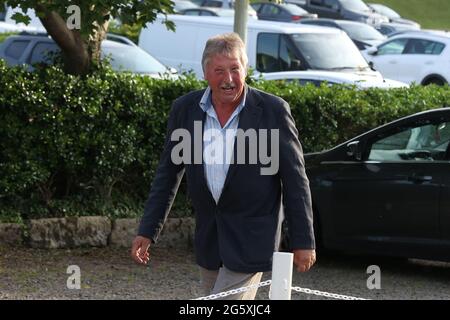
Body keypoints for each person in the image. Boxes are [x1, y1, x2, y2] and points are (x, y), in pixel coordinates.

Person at [131, 32, 316, 300]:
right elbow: (168, 174)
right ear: (206, 72)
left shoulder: (273, 111)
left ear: (246, 70)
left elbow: (296, 180)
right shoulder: (185, 109)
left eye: (235, 69)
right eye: (219, 71)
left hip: (252, 238)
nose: (228, 80)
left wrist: (303, 241)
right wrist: (147, 230)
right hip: (211, 238)